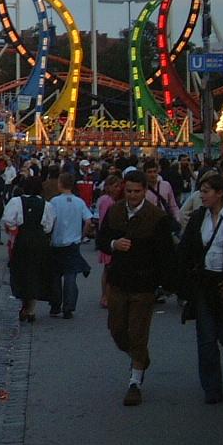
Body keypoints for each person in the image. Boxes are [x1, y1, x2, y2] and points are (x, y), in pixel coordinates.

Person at [96, 170, 176, 407]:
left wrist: (165, 283)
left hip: (143, 284)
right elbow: (102, 240)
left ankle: (135, 381)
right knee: (117, 330)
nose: (132, 195)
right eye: (129, 191)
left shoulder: (156, 217)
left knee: (138, 333)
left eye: (137, 191)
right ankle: (139, 356)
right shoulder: (115, 211)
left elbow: (166, 254)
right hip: (119, 281)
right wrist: (114, 244)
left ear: (144, 191)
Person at [178, 174, 223, 403]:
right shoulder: (199, 217)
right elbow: (186, 249)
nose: (202, 195)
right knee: (206, 339)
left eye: (206, 191)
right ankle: (212, 388)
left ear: (219, 193)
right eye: (201, 191)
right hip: (204, 283)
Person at [2, 175, 56, 323]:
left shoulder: (16, 201)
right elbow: (48, 226)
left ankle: (24, 303)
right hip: (39, 240)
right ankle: (31, 308)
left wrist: (15, 228)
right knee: (36, 272)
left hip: (23, 239)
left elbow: (8, 219)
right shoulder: (46, 205)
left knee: (22, 271)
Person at [49, 172, 93, 319]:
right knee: (70, 276)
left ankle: (55, 305)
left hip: (57, 242)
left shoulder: (55, 201)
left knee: (55, 276)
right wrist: (82, 234)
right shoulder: (79, 202)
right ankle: (68, 307)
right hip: (73, 243)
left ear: (60, 184)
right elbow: (88, 221)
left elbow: (50, 220)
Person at [95, 174, 124, 308]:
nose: (118, 189)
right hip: (108, 237)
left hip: (106, 237)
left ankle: (106, 295)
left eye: (119, 186)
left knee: (107, 269)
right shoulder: (109, 201)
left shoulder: (104, 199)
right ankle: (106, 296)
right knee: (109, 270)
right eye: (115, 186)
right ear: (108, 187)